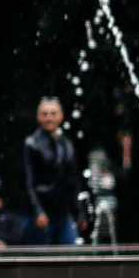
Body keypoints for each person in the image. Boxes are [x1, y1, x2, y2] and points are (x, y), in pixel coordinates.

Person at [20, 98, 84, 246]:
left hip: (62, 212)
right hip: (40, 212)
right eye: (45, 114)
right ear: (38, 117)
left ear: (60, 116)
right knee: (41, 261)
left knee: (73, 256)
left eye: (53, 114)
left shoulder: (66, 144)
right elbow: (28, 182)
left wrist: (80, 211)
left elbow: (74, 181)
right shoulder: (32, 144)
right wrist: (37, 211)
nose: (49, 118)